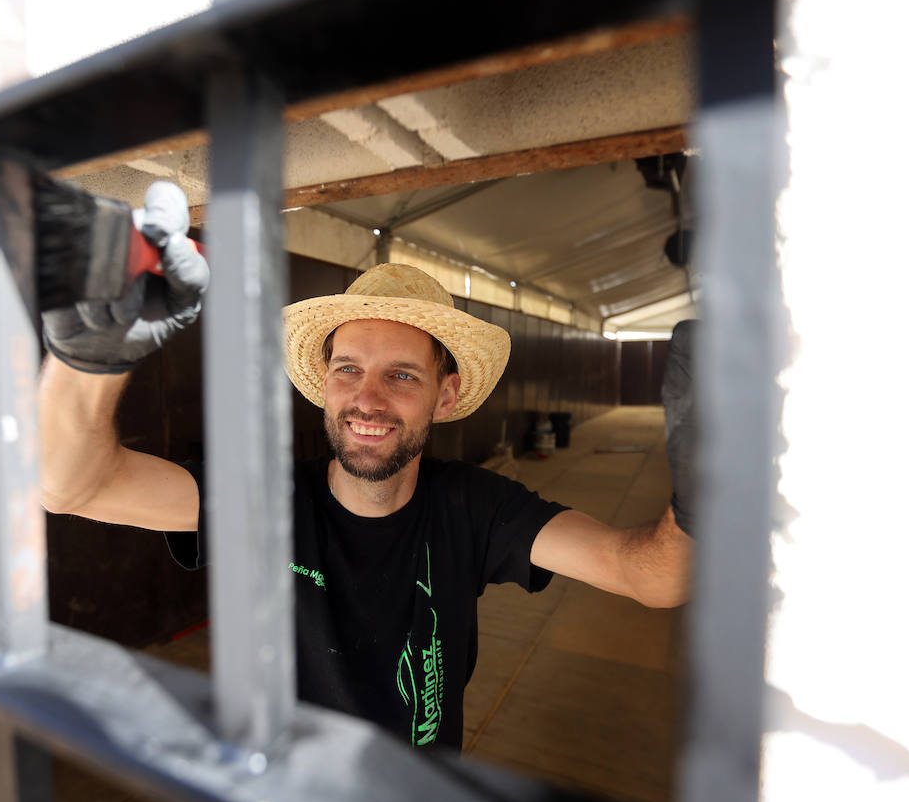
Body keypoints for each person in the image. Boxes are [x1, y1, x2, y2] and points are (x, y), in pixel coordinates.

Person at [39, 198, 694, 751]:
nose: (368, 400)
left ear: (445, 395)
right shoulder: (269, 501)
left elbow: (648, 575)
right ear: (325, 381)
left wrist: (706, 490)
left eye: (402, 375)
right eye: (348, 368)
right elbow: (73, 485)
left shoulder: (473, 509)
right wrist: (87, 365)